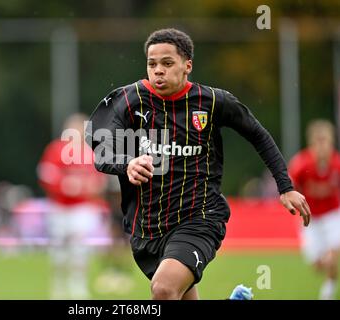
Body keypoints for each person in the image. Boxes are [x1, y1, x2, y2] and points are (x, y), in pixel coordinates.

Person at [85, 28, 311, 300]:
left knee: (164, 289)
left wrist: (285, 187)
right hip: (147, 227)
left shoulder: (213, 102)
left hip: (199, 219)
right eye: (152, 64)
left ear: (187, 66)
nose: (158, 71)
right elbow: (101, 148)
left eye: (167, 63)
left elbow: (258, 135)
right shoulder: (127, 100)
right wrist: (127, 163)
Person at [37, 113, 108, 299]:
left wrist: (83, 187)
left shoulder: (91, 152)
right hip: (59, 207)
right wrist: (65, 186)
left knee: (80, 250)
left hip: (83, 207)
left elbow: (99, 181)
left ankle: (78, 286)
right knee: (59, 252)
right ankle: (58, 286)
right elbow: (46, 176)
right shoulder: (56, 150)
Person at [288, 119, 340, 300]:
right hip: (310, 218)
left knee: (333, 255)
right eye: (318, 141)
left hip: (333, 214)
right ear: (311, 143)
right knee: (317, 264)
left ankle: (329, 290)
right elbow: (289, 187)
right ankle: (328, 268)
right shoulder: (301, 164)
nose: (322, 146)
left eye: (325, 140)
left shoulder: (337, 163)